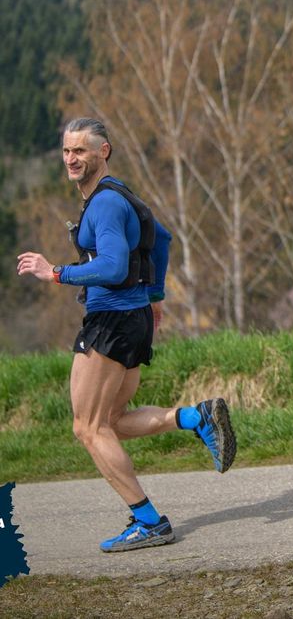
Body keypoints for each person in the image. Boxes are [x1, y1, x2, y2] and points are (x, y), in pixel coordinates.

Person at [16, 117, 237, 551]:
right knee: (112, 421)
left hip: (111, 322)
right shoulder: (120, 195)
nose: (71, 159)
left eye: (81, 150)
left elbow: (115, 266)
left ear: (104, 151)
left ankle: (149, 521)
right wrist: (154, 295)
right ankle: (194, 417)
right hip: (132, 320)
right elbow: (163, 240)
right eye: (66, 151)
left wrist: (55, 271)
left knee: (87, 427)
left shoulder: (104, 204)